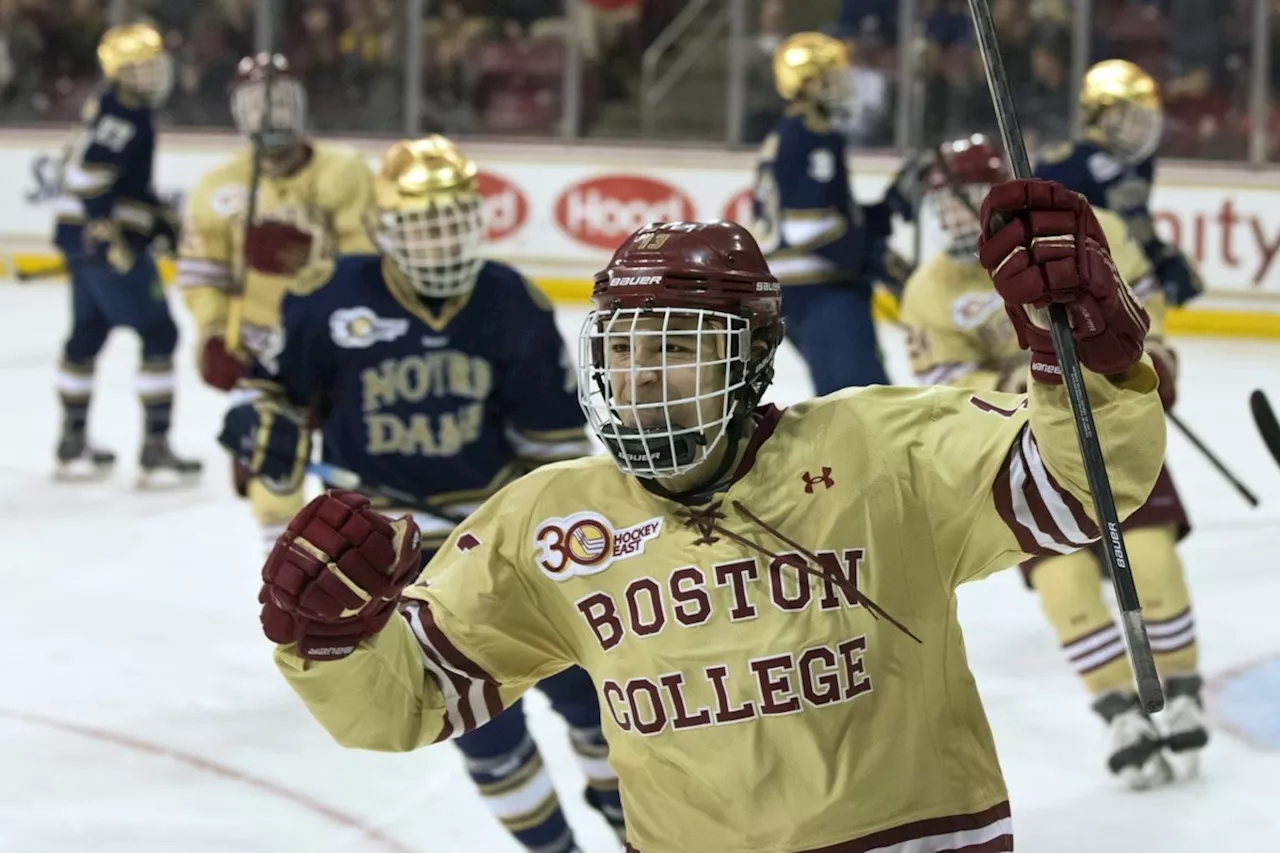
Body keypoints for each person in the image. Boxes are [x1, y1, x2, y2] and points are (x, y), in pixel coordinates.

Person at [249, 176, 1167, 851]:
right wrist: (334, 646)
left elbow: (1079, 481)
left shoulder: (882, 450)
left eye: (681, 345)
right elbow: (411, 698)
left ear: (758, 353)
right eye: (626, 347)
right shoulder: (549, 522)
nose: (644, 376)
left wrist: (1085, 356)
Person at [218, 136, 624, 853]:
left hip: (501, 544)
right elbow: (278, 391)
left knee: (597, 702)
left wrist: (560, 538)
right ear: (382, 232)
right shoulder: (331, 298)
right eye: (420, 228)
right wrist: (262, 422)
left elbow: (555, 447)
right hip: (391, 561)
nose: (439, 246)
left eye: (451, 225)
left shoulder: (510, 301)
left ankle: (637, 834)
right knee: (482, 727)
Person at [901, 135, 1208, 790]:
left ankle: (1181, 686)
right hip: (1026, 450)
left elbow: (1149, 330)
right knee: (1061, 580)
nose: (951, 222)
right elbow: (955, 398)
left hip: (1116, 430)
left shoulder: (1087, 230)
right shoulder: (930, 289)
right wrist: (1024, 376)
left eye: (960, 206)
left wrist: (1139, 361)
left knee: (1151, 557)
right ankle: (1116, 707)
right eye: (941, 209)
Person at [177, 52, 375, 551]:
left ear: (304, 108)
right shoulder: (219, 187)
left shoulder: (345, 171)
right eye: (256, 107)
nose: (269, 118)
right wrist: (213, 334)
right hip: (262, 357)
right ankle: (289, 592)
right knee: (272, 479)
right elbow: (203, 277)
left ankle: (360, 589)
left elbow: (372, 266)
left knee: (356, 486)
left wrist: (314, 255)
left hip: (344, 353)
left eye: (281, 104)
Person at [51, 22, 201, 486]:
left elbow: (115, 181)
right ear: (118, 73)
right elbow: (87, 179)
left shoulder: (117, 108)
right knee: (159, 333)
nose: (148, 76)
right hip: (106, 246)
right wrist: (110, 232)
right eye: (136, 69)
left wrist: (155, 217)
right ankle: (155, 449)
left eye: (151, 66)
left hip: (81, 244)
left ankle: (71, 441)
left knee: (86, 336)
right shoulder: (123, 114)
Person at [750, 31, 925, 395]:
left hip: (803, 289)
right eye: (832, 76)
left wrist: (886, 208)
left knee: (860, 403)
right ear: (808, 83)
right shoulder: (811, 134)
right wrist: (874, 257)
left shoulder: (790, 132)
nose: (843, 84)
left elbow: (824, 215)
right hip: (821, 290)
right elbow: (809, 227)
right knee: (862, 406)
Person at [1034, 59, 1203, 307]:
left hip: (1127, 273)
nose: (1141, 128)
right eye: (1132, 117)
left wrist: (1158, 256)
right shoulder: (1063, 164)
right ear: (1103, 113)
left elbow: (1136, 223)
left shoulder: (1139, 164)